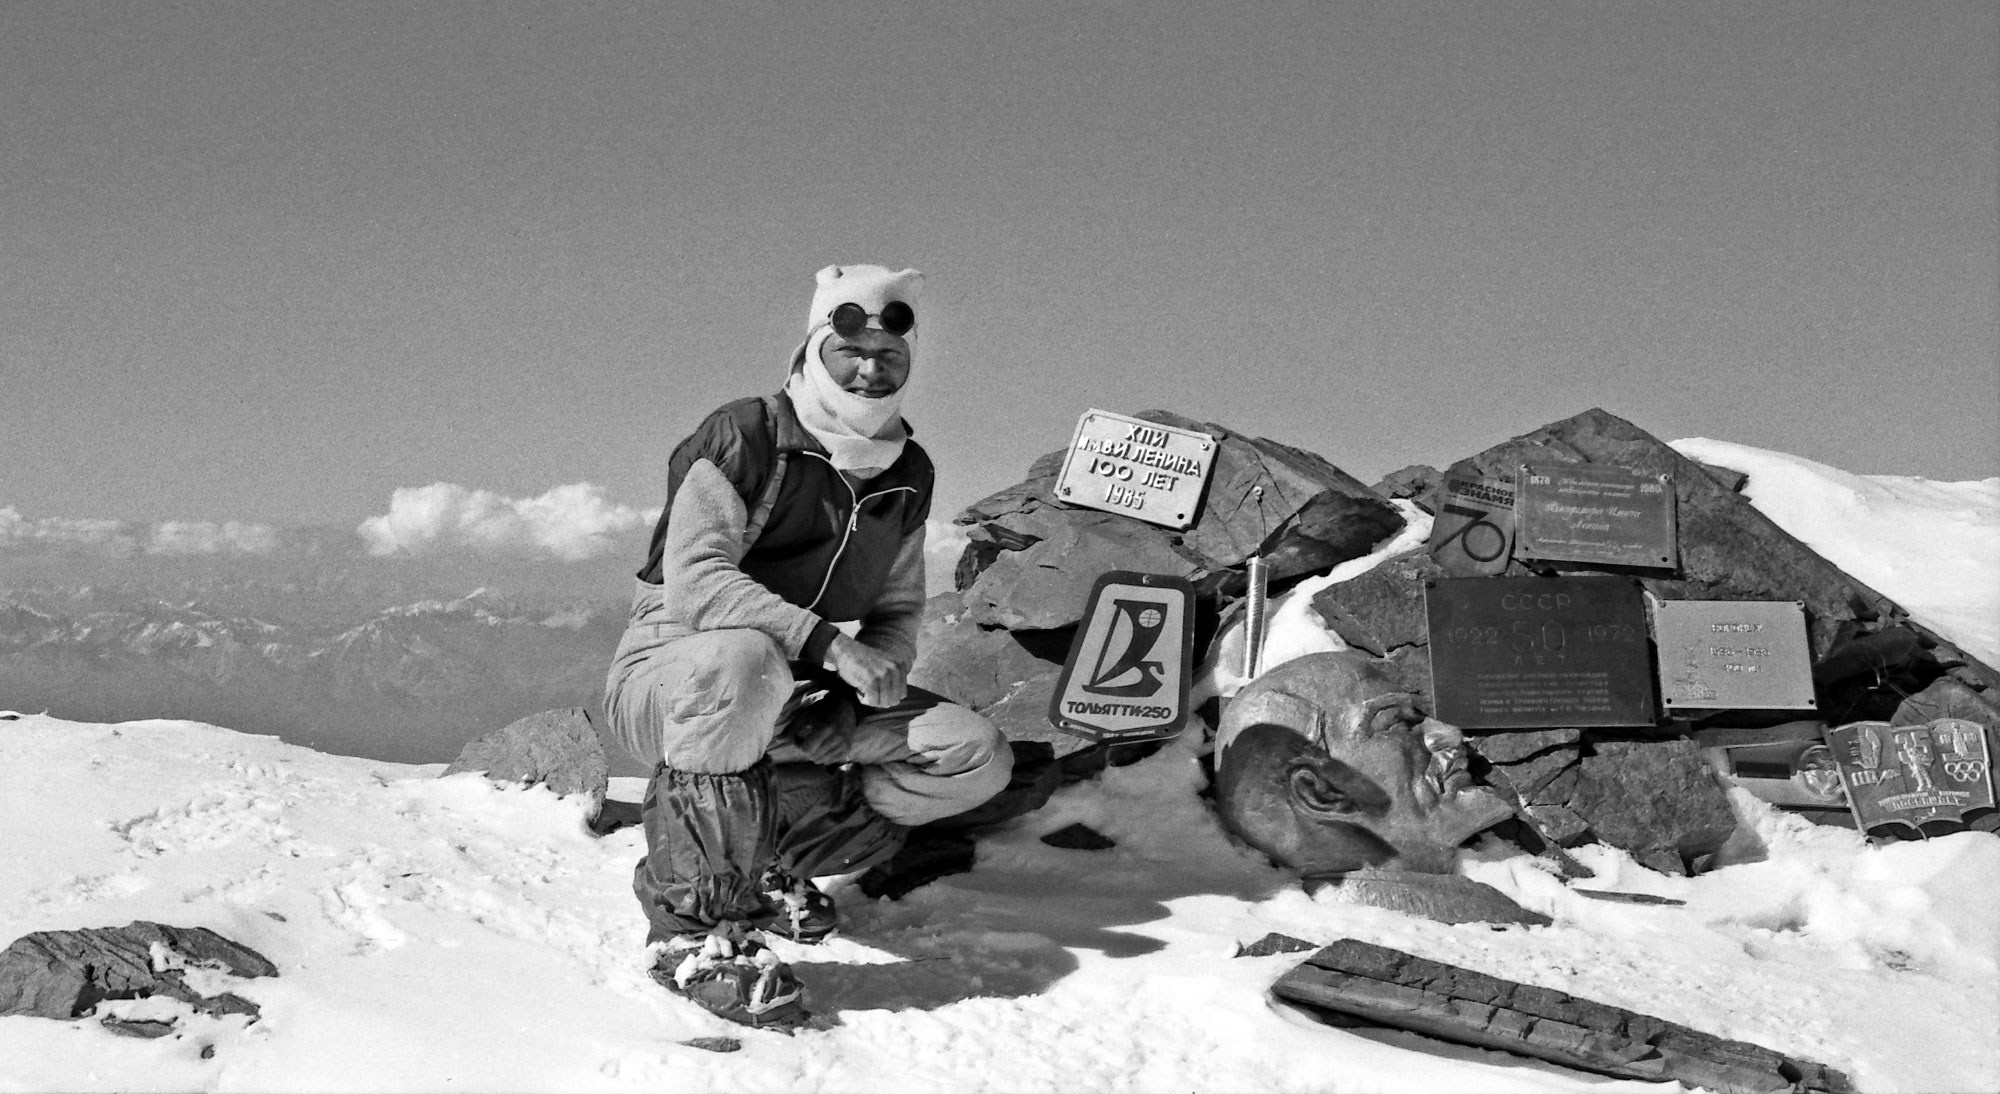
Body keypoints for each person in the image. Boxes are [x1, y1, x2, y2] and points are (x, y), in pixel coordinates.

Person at [604, 263, 1013, 1029]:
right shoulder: (746, 435)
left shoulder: (908, 469)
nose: (870, 369)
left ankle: (762, 862)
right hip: (678, 673)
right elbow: (697, 585)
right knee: (744, 660)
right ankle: (691, 933)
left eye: (889, 356)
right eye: (849, 350)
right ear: (815, 348)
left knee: (973, 753)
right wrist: (829, 647)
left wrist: (865, 679)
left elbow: (897, 607)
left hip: (800, 687)